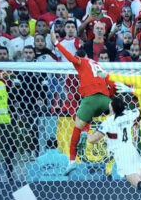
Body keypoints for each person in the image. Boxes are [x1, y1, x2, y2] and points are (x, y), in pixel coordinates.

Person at [49, 30, 115, 176]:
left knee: (77, 128)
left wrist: (56, 43)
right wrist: (111, 98)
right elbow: (111, 82)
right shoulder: (99, 65)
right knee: (114, 120)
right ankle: (107, 139)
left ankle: (72, 161)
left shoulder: (82, 61)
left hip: (90, 100)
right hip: (105, 99)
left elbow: (71, 58)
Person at [86, 97, 141, 200]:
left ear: (112, 108)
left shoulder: (108, 122)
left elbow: (94, 139)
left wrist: (88, 136)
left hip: (122, 154)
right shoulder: (130, 114)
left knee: (137, 183)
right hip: (132, 150)